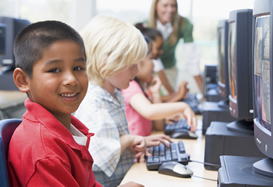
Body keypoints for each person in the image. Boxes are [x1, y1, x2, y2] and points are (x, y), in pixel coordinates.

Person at [8, 20, 142, 187]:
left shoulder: (67, 128)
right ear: (23, 80)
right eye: (55, 70)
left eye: (78, 68)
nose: (71, 79)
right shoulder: (44, 151)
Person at [74, 15, 171, 187]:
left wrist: (131, 143)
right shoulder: (94, 103)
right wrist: (129, 140)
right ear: (107, 62)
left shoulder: (114, 94)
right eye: (131, 64)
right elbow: (98, 158)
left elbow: (109, 142)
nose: (136, 71)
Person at [121, 35, 197, 137]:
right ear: (137, 62)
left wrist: (155, 93)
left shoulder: (140, 88)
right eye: (151, 59)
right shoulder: (130, 87)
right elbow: (149, 111)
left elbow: (159, 126)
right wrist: (183, 107)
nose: (153, 65)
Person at [147, 0, 203, 93]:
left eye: (173, 6)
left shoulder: (183, 23)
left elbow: (192, 57)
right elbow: (155, 61)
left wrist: (203, 93)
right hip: (149, 68)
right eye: (165, 5)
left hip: (170, 67)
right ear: (156, 6)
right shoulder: (147, 26)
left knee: (168, 99)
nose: (170, 10)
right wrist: (174, 94)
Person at [135, 23, 189, 103]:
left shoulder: (148, 78)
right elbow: (153, 111)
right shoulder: (133, 87)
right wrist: (178, 96)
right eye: (159, 48)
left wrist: (178, 94)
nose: (162, 52)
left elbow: (157, 103)